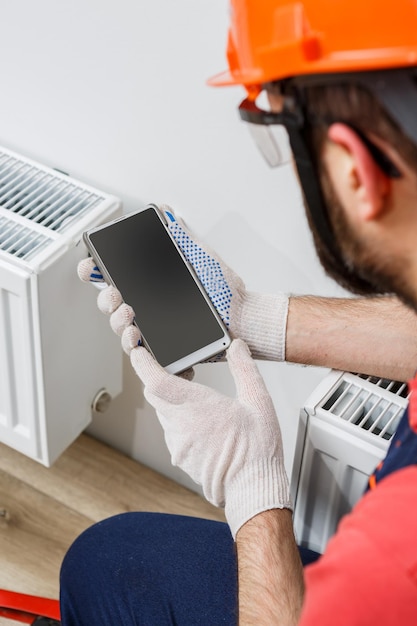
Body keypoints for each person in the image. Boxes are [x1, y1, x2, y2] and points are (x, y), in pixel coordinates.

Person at [60, 1, 417, 624]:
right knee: (111, 559)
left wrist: (253, 489)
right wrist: (251, 317)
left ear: (355, 168)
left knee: (107, 574)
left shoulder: (393, 557)